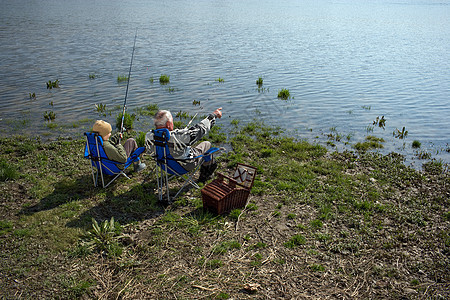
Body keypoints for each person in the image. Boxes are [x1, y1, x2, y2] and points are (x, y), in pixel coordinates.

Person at [145, 108, 222, 182]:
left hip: (165, 166)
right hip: (184, 166)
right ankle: (205, 175)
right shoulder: (178, 137)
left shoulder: (148, 136)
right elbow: (200, 130)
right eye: (172, 121)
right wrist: (213, 115)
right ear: (168, 124)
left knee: (187, 147)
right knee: (207, 144)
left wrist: (181, 132)